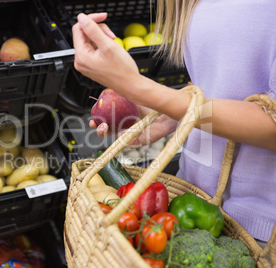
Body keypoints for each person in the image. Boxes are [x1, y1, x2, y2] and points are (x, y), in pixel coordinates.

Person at [71, 1, 276, 244]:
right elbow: (222, 83)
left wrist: (139, 87)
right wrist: (168, 114)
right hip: (188, 198)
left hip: (260, 228)